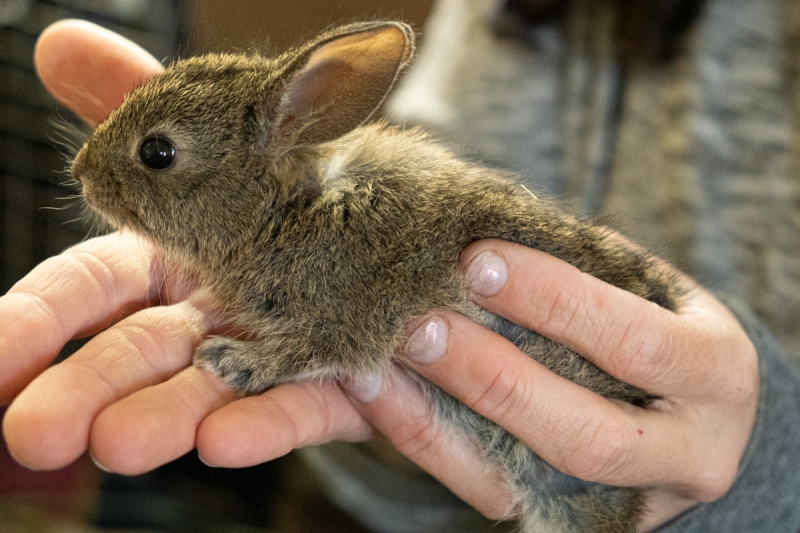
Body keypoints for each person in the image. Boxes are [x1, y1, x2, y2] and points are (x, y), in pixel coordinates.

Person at [0, 0, 798, 530]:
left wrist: (762, 452)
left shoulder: (329, 239)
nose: (83, 173)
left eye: (159, 156)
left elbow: (353, 319)